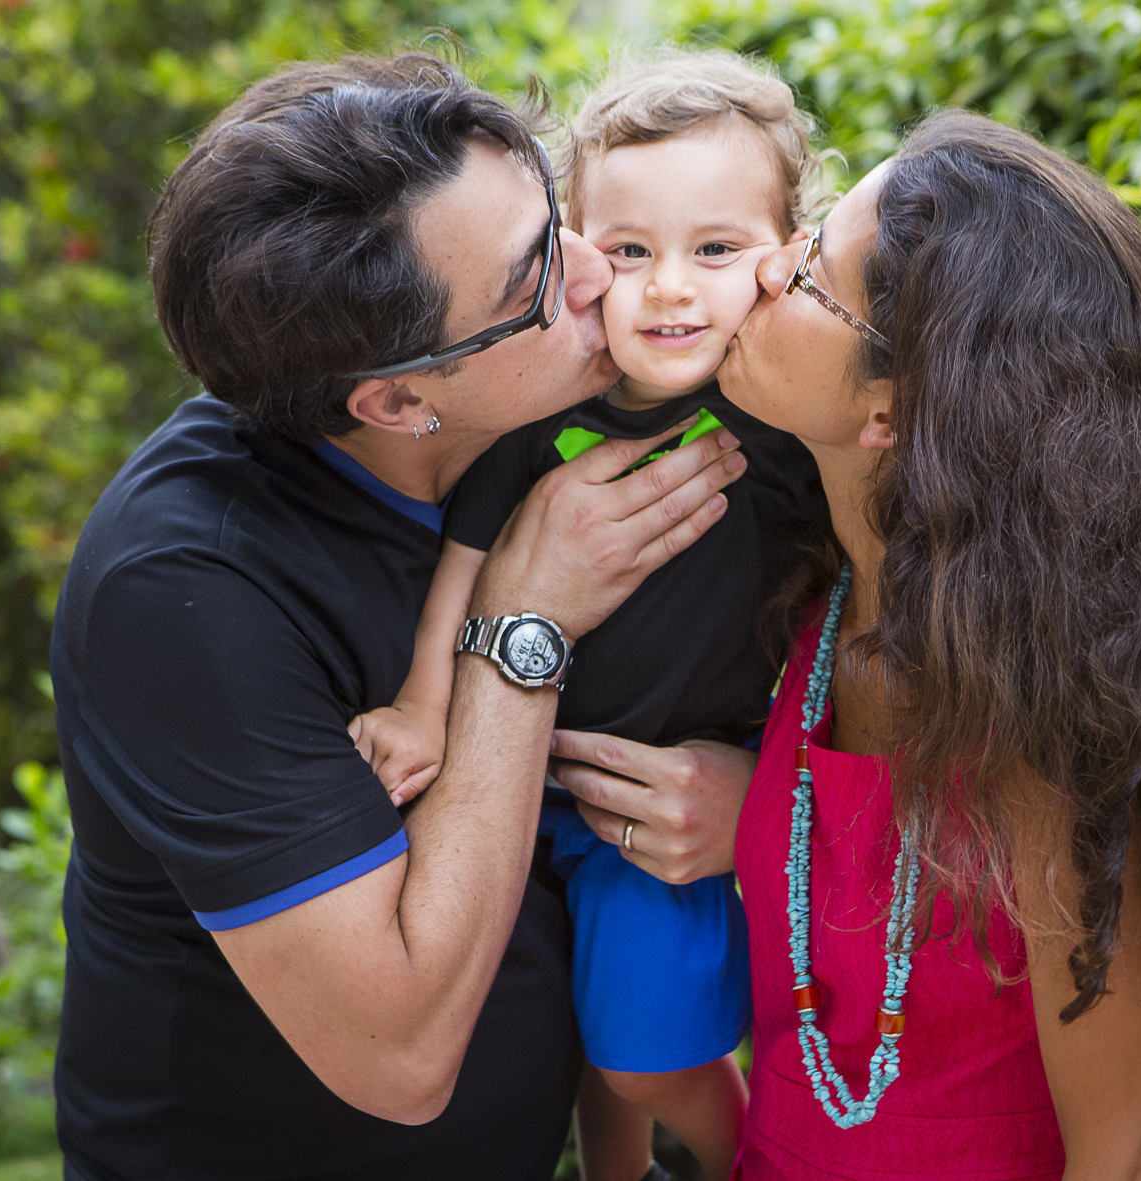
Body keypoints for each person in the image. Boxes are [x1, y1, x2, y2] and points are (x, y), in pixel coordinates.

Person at [48, 53, 755, 1181]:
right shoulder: (185, 592)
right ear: (396, 399)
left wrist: (752, 802)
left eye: (558, 213)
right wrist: (521, 623)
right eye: (535, 278)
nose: (596, 268)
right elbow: (399, 1052)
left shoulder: (568, 420)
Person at [707, 111, 1141, 1178]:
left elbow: (1127, 1153)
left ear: (895, 413)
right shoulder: (811, 591)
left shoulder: (1043, 726)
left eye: (808, 268)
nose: (764, 265)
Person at [346, 51, 827, 1181]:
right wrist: (424, 709)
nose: (668, 288)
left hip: (656, 804)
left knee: (644, 1057)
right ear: (576, 258)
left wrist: (776, 791)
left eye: (713, 249)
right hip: (515, 787)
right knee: (572, 1046)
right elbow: (469, 552)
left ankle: (758, 1156)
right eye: (629, 253)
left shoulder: (780, 425)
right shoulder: (543, 405)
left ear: (787, 251)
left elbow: (850, 609)